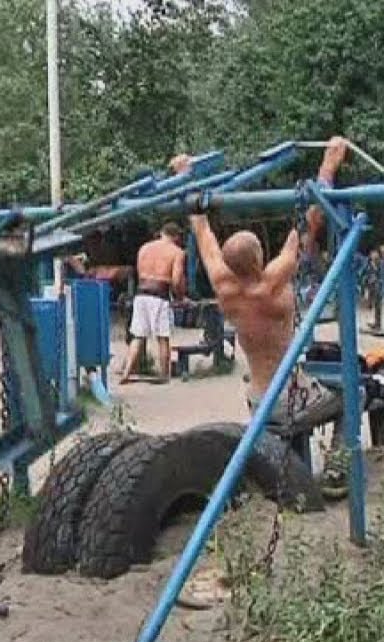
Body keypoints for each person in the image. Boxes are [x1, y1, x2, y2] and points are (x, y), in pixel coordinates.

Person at [180, 136, 350, 427]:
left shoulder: (223, 284)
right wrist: (329, 165)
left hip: (257, 399)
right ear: (259, 259)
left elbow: (202, 231)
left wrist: (184, 175)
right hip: (288, 398)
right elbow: (308, 224)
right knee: (352, 396)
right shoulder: (271, 283)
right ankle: (341, 463)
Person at [119, 222, 186, 383]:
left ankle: (127, 372)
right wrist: (179, 296)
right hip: (160, 294)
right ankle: (164, 375)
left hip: (141, 294)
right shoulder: (177, 252)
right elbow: (176, 280)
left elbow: (140, 272)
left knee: (138, 336)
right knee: (163, 337)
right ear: (176, 237)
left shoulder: (144, 248)